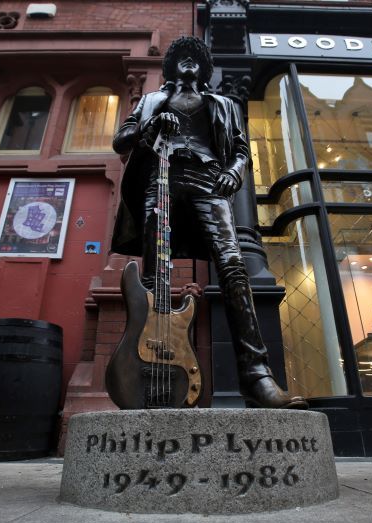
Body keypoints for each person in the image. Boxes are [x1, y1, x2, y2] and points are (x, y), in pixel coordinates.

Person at [111, 36, 307, 409]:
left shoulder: (224, 103)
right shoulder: (151, 100)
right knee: (153, 276)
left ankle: (257, 376)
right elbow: (122, 139)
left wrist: (235, 169)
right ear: (171, 67)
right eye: (181, 58)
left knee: (233, 267)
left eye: (195, 58)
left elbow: (240, 149)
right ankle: (144, 370)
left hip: (207, 182)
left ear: (204, 68)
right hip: (161, 179)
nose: (188, 63)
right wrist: (148, 128)